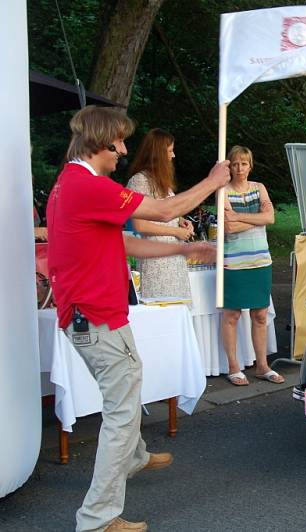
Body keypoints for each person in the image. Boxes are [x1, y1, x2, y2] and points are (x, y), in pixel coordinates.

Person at [46, 105, 230, 532]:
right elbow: (164, 213)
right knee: (121, 411)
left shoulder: (73, 185)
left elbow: (125, 244)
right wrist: (213, 181)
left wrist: (184, 250)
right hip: (95, 317)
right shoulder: (87, 187)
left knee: (129, 387)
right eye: (120, 143)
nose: (124, 151)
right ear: (99, 144)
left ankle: (133, 456)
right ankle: (98, 517)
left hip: (98, 316)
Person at [221, 146, 284, 387]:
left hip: (260, 260)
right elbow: (229, 227)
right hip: (234, 261)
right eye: (235, 164)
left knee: (259, 314)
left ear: (250, 165)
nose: (239, 168)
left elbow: (270, 218)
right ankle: (234, 366)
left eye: (243, 164)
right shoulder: (223, 191)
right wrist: (253, 218)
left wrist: (238, 216)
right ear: (230, 166)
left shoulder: (260, 188)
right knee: (232, 314)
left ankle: (262, 365)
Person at [126, 128, 193, 299]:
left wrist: (180, 220)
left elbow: (165, 212)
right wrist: (176, 231)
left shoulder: (162, 182)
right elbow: (141, 225)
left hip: (174, 258)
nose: (173, 155)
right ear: (159, 153)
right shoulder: (139, 181)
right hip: (156, 259)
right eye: (170, 151)